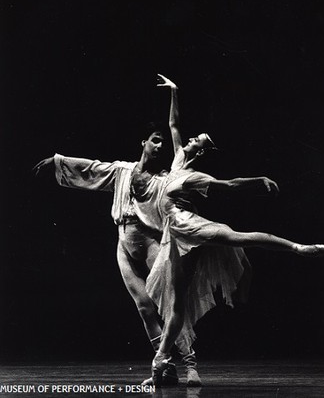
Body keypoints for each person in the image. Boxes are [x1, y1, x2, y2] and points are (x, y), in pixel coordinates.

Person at [136, 75, 324, 386]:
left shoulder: (194, 175)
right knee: (175, 308)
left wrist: (259, 180)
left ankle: (297, 247)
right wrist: (174, 91)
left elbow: (230, 185)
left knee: (237, 237)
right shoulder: (178, 161)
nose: (188, 140)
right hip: (174, 238)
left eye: (195, 140)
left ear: (200, 151)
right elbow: (174, 126)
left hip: (191, 227)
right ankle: (159, 364)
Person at [32, 123, 201, 387]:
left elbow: (182, 193)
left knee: (168, 304)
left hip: (150, 242)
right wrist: (58, 162)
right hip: (124, 245)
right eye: (155, 141)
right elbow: (92, 169)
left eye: (163, 144)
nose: (159, 146)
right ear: (143, 142)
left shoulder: (163, 179)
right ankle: (165, 368)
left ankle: (190, 364)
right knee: (145, 308)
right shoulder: (122, 171)